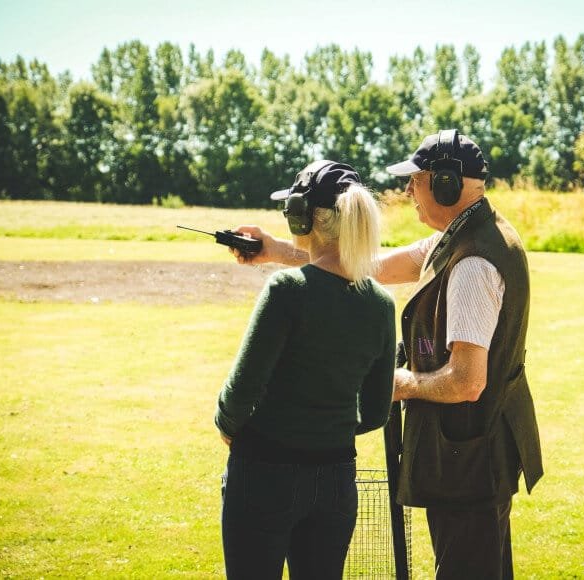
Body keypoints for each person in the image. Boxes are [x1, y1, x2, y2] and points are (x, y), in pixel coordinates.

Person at [233, 130, 543, 580]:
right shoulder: (464, 235)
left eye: (414, 181)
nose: (407, 192)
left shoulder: (474, 263)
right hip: (478, 454)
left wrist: (396, 383)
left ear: (445, 184)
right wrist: (275, 251)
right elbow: (365, 264)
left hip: (469, 458)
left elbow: (466, 380)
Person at [215, 160, 396, 580]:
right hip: (336, 480)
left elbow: (239, 393)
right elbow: (374, 414)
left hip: (263, 474)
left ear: (304, 216)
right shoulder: (381, 304)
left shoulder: (287, 289)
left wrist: (226, 425)